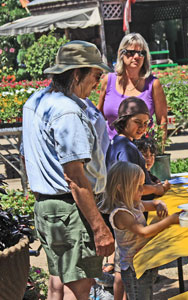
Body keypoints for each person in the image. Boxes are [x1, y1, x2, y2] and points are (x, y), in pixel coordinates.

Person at [21, 40, 115, 299]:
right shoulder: (67, 112)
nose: (98, 82)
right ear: (77, 74)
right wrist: (99, 227)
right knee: (81, 288)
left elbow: (24, 154)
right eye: (96, 75)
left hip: (47, 208)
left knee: (60, 283)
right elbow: (75, 178)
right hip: (71, 210)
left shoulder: (35, 101)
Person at [99, 161, 179, 300]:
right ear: (120, 188)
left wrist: (160, 204)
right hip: (134, 270)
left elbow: (154, 203)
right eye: (138, 187)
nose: (142, 190)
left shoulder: (134, 205)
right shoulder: (122, 213)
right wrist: (170, 220)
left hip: (144, 264)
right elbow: (143, 232)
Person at [97, 33, 168, 143]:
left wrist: (159, 149)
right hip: (111, 150)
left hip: (143, 151)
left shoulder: (153, 84)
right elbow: (99, 117)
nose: (136, 57)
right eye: (131, 52)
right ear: (121, 53)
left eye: (141, 53)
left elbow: (162, 120)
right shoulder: (108, 80)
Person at [106, 96, 170, 197]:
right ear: (124, 120)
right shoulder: (126, 148)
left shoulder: (119, 142)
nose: (142, 127)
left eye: (145, 123)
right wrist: (156, 189)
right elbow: (131, 189)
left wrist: (151, 179)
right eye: (137, 122)